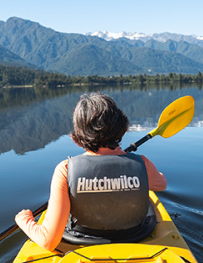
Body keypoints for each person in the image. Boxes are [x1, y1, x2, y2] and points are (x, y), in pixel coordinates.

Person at [15, 93, 167, 252]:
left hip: (83, 237)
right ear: (122, 128)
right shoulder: (142, 163)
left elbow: (48, 241)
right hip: (135, 234)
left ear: (77, 137)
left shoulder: (66, 170)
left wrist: (24, 220)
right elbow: (162, 184)